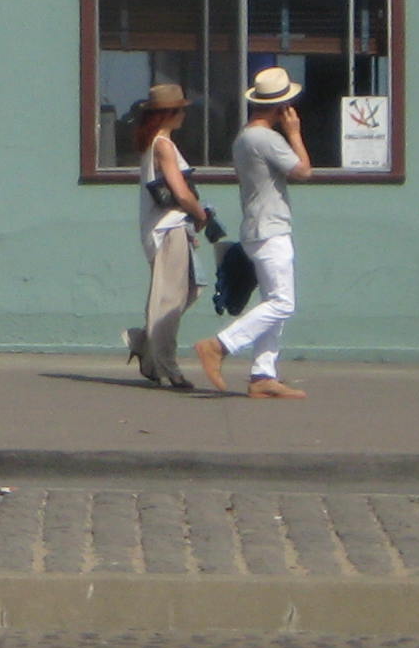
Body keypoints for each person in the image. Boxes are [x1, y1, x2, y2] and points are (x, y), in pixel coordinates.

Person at [198, 67, 315, 400]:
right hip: (270, 229)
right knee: (282, 303)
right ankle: (219, 346)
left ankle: (263, 375)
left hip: (256, 227)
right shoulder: (267, 138)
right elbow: (304, 170)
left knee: (271, 301)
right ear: (282, 107)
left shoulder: (244, 137)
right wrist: (295, 133)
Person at [121, 81, 203, 392]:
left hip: (170, 228)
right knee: (169, 299)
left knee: (188, 291)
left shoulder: (155, 143)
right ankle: (167, 366)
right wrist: (199, 213)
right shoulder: (163, 146)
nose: (183, 115)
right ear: (168, 113)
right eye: (179, 110)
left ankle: (146, 343)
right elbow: (180, 193)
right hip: (168, 229)